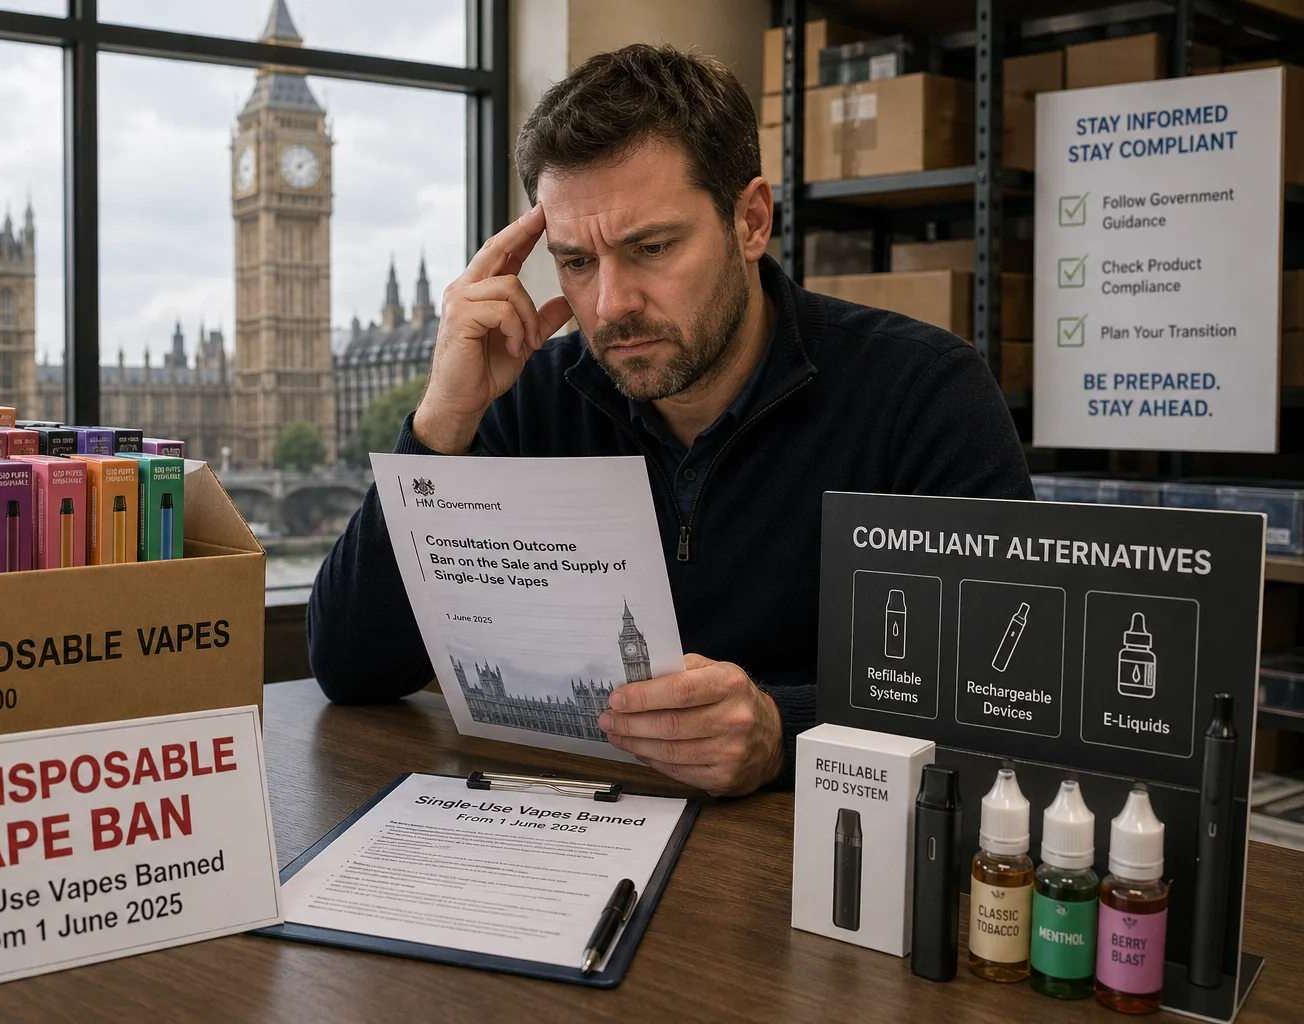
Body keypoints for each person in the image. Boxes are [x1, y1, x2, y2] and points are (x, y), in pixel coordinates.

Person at [308, 43, 1032, 796]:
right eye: (577, 263)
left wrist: (785, 730)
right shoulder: (523, 403)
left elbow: (1007, 691)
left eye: (650, 248)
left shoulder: (926, 394)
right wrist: (439, 426)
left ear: (751, 221)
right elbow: (352, 666)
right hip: (566, 840)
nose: (611, 303)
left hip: (813, 863)